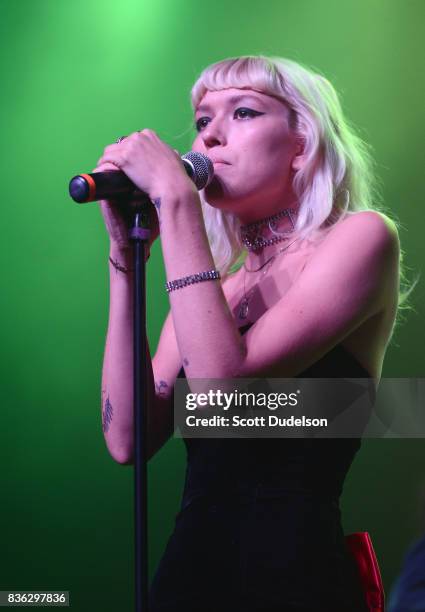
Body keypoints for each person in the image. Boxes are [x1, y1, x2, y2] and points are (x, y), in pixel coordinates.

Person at [94, 56, 403, 611]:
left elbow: (222, 392)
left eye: (242, 111)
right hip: (187, 579)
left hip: (293, 579)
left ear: (303, 144)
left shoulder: (359, 239)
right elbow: (128, 440)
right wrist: (126, 259)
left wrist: (177, 203)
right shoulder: (213, 289)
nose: (209, 134)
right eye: (201, 120)